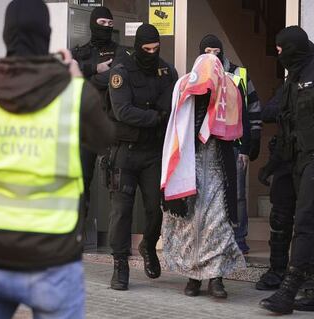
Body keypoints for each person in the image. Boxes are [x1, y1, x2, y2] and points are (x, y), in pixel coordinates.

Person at [0, 0, 118, 317]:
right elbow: (104, 138)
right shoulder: (72, 92)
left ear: (6, 34)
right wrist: (78, 79)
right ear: (47, 34)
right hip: (52, 258)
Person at [259, 26, 314, 314]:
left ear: (293, 48)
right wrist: (271, 165)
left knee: (306, 220)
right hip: (296, 161)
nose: (278, 54)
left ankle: (289, 288)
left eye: (280, 49)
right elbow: (284, 124)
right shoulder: (292, 80)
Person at [161, 54, 246, 299]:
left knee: (218, 225)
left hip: (220, 170)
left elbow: (243, 124)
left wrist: (247, 150)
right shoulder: (185, 88)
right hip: (189, 166)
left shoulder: (230, 90)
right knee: (190, 224)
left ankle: (216, 279)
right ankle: (193, 277)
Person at [106, 23, 178, 291]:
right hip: (125, 152)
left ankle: (149, 244)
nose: (151, 53)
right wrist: (156, 117)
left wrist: (160, 115)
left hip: (153, 152)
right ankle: (120, 264)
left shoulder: (167, 71)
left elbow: (172, 104)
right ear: (137, 47)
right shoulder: (121, 72)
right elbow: (123, 111)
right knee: (121, 212)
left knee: (155, 209)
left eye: (155, 49)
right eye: (146, 49)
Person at [256, 41, 314, 291]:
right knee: (279, 219)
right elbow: (267, 112)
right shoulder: (287, 86)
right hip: (284, 161)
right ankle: (277, 270)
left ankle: (304, 274)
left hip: (308, 161)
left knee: (307, 221)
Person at [198, 34, 262, 254]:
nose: (212, 56)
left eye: (216, 51)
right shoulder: (197, 75)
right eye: (207, 52)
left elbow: (252, 109)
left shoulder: (238, 74)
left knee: (237, 194)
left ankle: (238, 239)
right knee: (208, 194)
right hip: (206, 147)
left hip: (235, 144)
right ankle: (213, 239)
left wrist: (249, 146)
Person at [71, 6, 129, 249]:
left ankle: (117, 243)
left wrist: (87, 76)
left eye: (109, 22)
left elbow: (116, 79)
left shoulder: (121, 52)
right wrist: (96, 69)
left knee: (116, 185)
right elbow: (69, 77)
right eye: (102, 21)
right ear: (93, 23)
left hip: (111, 125)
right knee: (81, 182)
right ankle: (77, 237)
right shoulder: (80, 51)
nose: (106, 26)